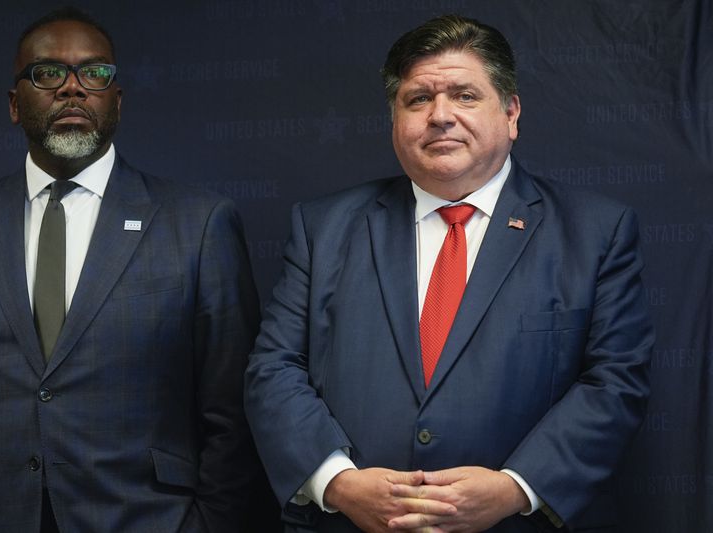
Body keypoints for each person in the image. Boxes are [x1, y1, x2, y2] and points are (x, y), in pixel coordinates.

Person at [244, 13, 653, 533]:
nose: (440, 116)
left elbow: (614, 383)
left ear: (510, 113)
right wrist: (338, 483)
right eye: (418, 99)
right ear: (394, 119)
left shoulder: (597, 232)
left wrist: (514, 489)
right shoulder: (322, 227)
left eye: (464, 95)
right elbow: (274, 368)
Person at [0, 7, 267, 532]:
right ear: (15, 105)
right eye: (48, 73)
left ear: (116, 102)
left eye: (94, 73)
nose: (73, 88)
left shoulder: (198, 224)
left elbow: (234, 416)